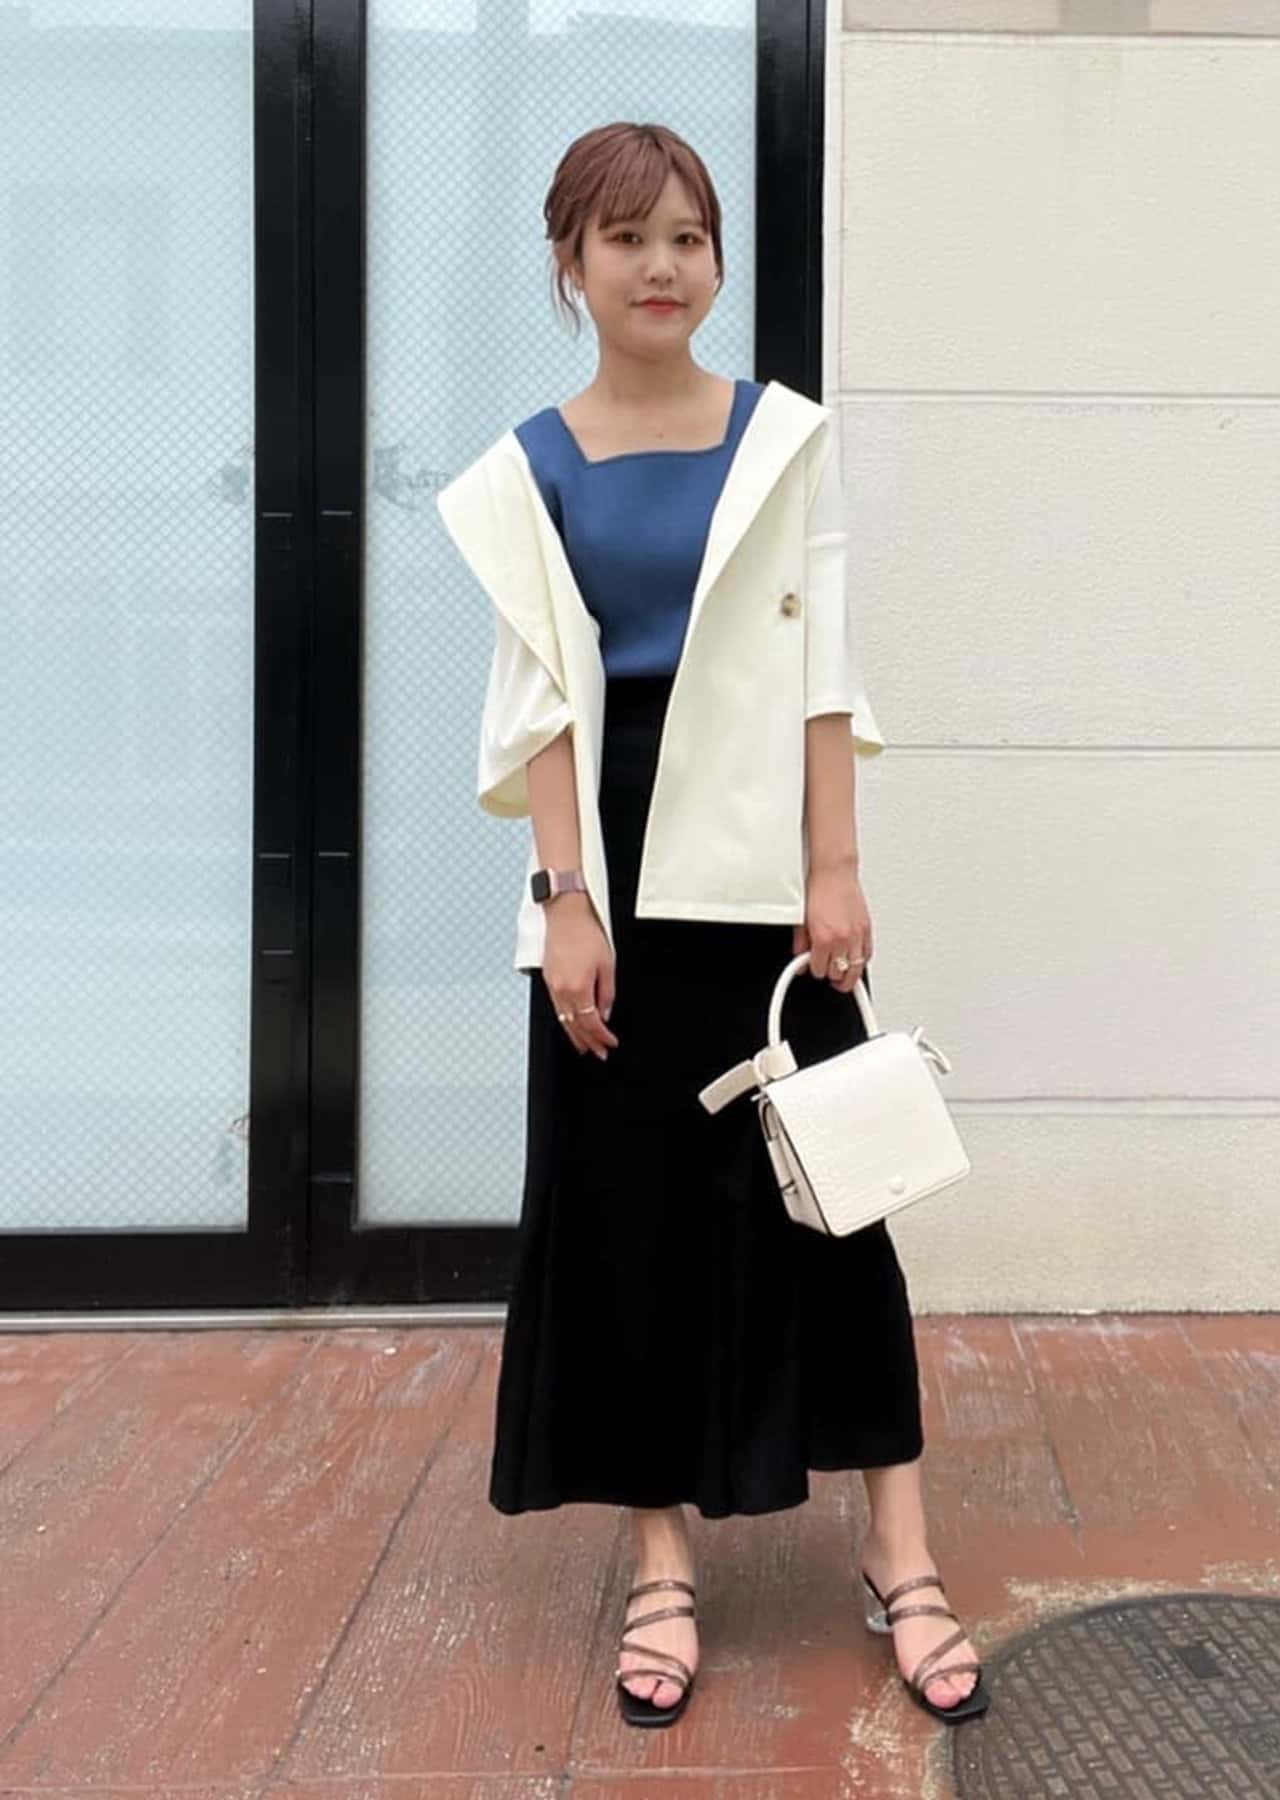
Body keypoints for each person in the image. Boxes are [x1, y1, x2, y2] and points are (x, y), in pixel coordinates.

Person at [439, 120, 987, 1730]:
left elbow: (823, 672)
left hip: (763, 893)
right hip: (612, 894)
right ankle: (661, 1562)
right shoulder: (526, 469)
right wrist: (563, 902)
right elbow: (542, 702)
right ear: (571, 264)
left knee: (840, 1208)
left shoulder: (782, 441)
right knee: (628, 1228)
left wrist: (839, 869)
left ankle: (901, 1554)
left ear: (717, 257)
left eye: (687, 235)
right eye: (627, 239)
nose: (662, 266)